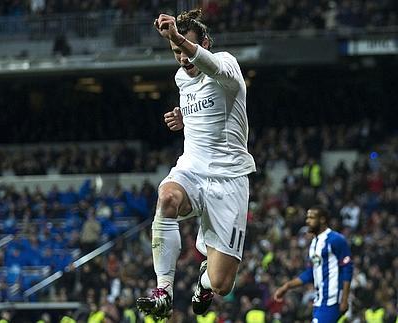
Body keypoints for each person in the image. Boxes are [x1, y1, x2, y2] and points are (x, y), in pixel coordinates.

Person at [136, 8, 256, 319]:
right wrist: (185, 119)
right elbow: (207, 112)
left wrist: (177, 36)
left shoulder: (227, 64)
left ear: (205, 42)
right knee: (166, 198)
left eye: (186, 49)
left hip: (229, 179)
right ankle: (164, 291)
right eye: (175, 51)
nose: (182, 59)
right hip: (192, 168)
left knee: (221, 284)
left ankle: (203, 281)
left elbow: (211, 67)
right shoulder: (181, 78)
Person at [274, 207, 353, 322]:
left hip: (333, 300)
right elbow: (312, 272)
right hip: (319, 300)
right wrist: (287, 286)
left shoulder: (336, 240)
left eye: (311, 218)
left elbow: (347, 268)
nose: (307, 221)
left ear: (322, 220)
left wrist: (344, 299)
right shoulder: (314, 243)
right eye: (307, 218)